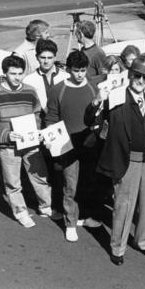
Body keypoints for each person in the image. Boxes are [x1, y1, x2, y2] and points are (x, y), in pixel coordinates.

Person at [84, 55, 145, 265]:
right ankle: (117, 248)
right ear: (130, 75)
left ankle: (143, 241)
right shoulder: (116, 98)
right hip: (126, 161)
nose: (141, 81)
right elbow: (91, 120)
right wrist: (97, 100)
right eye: (137, 76)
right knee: (124, 205)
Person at [0, 55, 57, 228]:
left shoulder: (29, 91)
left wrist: (36, 129)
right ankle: (21, 212)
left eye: (20, 73)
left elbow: (37, 112)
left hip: (30, 143)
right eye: (13, 74)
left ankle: (46, 206)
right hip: (7, 146)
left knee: (39, 177)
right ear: (4, 73)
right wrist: (7, 135)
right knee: (13, 183)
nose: (17, 77)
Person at [44, 50, 102, 242]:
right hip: (67, 146)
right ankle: (70, 223)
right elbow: (51, 117)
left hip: (89, 145)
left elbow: (99, 115)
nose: (80, 74)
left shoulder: (94, 88)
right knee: (70, 185)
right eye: (76, 70)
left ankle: (82, 216)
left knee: (87, 182)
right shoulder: (57, 90)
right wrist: (52, 137)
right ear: (68, 69)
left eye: (83, 70)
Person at [22, 39, 69, 113]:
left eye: (50, 58)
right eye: (43, 57)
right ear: (36, 57)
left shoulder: (66, 77)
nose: (46, 61)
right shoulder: (28, 80)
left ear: (55, 58)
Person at [76, 20, 106, 85]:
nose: (75, 35)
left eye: (76, 33)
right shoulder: (83, 49)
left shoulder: (98, 53)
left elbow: (104, 76)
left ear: (81, 34)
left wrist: (87, 80)